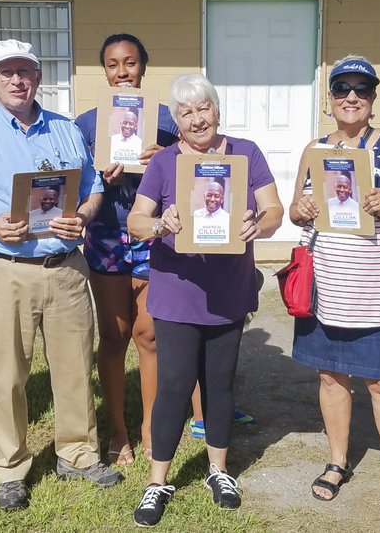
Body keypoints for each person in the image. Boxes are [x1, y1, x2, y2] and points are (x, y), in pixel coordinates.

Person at [0, 38, 121, 512]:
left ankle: (77, 454)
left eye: (25, 71)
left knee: (76, 369)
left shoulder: (65, 129)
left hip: (66, 270)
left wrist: (84, 214)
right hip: (3, 271)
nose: (17, 80)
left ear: (37, 77)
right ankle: (11, 465)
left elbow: (93, 186)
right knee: (7, 376)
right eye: (7, 72)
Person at [125, 73, 284, 527]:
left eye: (204, 108)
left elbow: (273, 209)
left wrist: (261, 224)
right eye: (186, 112)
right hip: (177, 290)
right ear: (176, 120)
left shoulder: (245, 152)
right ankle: (158, 481)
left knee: (220, 383)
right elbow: (137, 219)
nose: (197, 119)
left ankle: (219, 470)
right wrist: (160, 224)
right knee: (174, 385)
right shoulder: (164, 163)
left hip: (228, 290)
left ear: (217, 110)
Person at [289, 54, 380, 520]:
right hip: (326, 285)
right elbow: (294, 209)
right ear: (330, 99)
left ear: (372, 99)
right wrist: (303, 209)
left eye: (361, 90)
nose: (351, 97)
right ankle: (337, 462)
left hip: (375, 287)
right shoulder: (315, 149)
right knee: (330, 378)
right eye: (342, 89)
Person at [74, 33, 179, 467]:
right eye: (113, 64)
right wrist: (102, 179)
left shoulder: (169, 123)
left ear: (143, 68)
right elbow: (78, 184)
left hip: (152, 237)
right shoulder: (84, 125)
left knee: (148, 335)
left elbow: (190, 179)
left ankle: (150, 429)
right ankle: (118, 431)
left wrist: (167, 156)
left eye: (130, 63)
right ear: (104, 71)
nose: (122, 72)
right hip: (106, 235)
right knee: (115, 336)